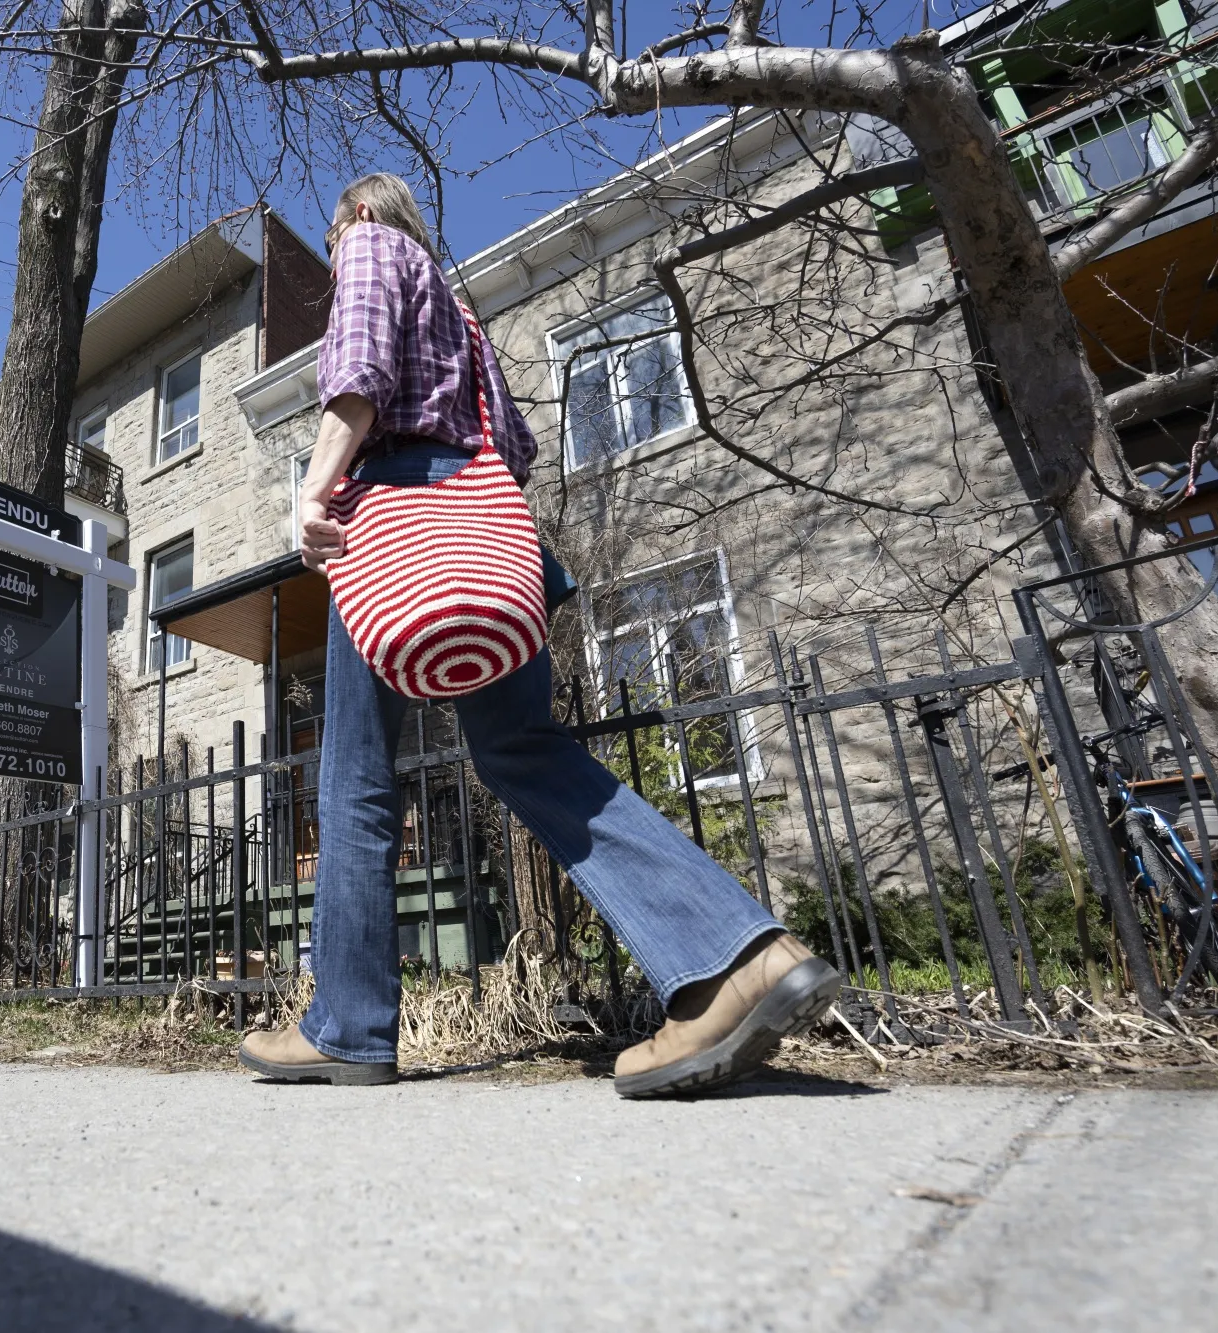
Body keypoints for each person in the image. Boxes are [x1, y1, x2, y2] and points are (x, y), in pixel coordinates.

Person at [236, 175, 841, 1098]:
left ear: (361, 215)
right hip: (491, 536)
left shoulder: (367, 244)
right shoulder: (465, 320)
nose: (335, 245)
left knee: (355, 778)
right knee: (524, 750)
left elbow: (355, 374)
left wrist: (315, 493)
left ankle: (347, 1027)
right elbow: (511, 454)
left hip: (395, 527)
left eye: (335, 230)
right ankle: (737, 953)